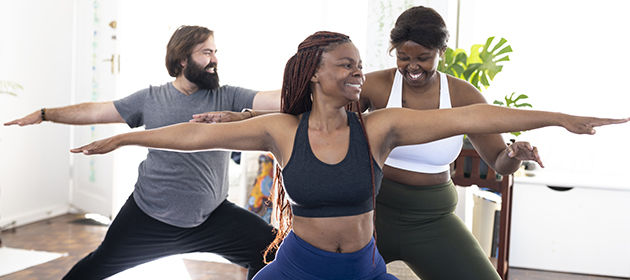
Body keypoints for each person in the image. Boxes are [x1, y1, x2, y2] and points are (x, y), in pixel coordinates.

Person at [69, 30, 627, 280]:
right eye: (347, 64)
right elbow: (193, 136)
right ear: (314, 74)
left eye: (361, 63)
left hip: (364, 267)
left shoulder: (380, 127)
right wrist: (126, 137)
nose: (359, 71)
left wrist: (557, 117)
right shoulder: (282, 130)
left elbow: (475, 117)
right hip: (299, 268)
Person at [4, 25, 279, 280]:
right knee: (91, 270)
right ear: (182, 60)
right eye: (207, 52)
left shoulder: (228, 96)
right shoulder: (151, 98)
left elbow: (274, 100)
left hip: (211, 216)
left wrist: (313, 78)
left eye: (215, 52)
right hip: (149, 216)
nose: (215, 59)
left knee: (272, 253)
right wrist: (44, 114)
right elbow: (95, 110)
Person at [352, 6, 543, 279]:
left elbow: (500, 161)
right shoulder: (375, 86)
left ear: (442, 52)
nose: (412, 66)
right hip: (372, 214)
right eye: (403, 57)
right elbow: (331, 130)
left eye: (423, 57)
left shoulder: (464, 95)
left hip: (433, 218)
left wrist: (513, 153)